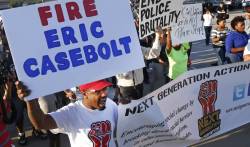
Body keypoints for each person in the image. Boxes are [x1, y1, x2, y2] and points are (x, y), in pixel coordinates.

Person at [16, 80, 118, 147]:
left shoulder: (111, 105)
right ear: (84, 93)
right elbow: (40, 123)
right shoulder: (71, 112)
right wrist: (30, 100)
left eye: (105, 88)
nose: (104, 94)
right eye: (97, 91)